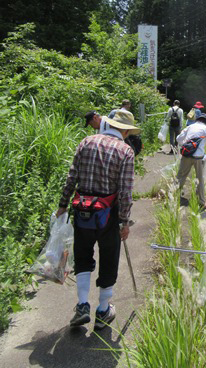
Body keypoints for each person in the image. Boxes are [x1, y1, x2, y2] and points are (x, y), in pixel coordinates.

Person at [56, 111, 139, 330]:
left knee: (83, 255)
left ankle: (82, 305)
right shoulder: (125, 151)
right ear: (127, 130)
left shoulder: (86, 142)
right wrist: (124, 221)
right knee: (109, 258)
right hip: (108, 215)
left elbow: (71, 177)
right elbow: (125, 192)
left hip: (82, 210)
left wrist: (62, 205)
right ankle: (103, 310)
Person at [176, 114, 206, 209]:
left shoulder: (190, 126)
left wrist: (185, 146)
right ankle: (202, 202)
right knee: (200, 179)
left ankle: (174, 196)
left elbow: (178, 138)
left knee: (181, 175)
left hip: (186, 155)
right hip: (198, 157)